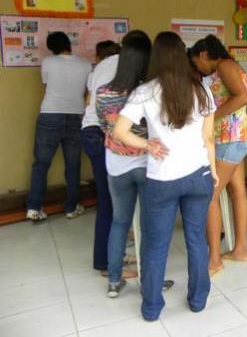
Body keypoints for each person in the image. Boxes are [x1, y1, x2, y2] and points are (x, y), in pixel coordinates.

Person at [113, 31, 218, 321]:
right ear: (183, 54)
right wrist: (214, 172)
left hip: (162, 179)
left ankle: (151, 308)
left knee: (155, 244)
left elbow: (118, 132)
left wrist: (148, 144)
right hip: (199, 175)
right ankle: (198, 301)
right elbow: (208, 138)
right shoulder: (202, 90)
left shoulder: (144, 92)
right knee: (197, 240)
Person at [190, 35, 247, 275]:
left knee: (209, 195)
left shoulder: (225, 65)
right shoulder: (228, 66)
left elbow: (242, 96)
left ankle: (214, 260)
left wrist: (212, 116)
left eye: (197, 62)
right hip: (236, 136)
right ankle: (240, 250)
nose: (198, 68)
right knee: (238, 193)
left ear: (204, 54)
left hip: (230, 137)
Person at [96, 31, 152, 297]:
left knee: (120, 221)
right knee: (150, 223)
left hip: (116, 163)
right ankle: (151, 279)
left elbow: (104, 126)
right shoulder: (147, 92)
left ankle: (114, 280)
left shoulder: (102, 92)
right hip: (146, 163)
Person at [26, 31, 92, 222]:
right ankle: (71, 207)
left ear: (51, 48)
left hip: (50, 115)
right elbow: (87, 90)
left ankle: (34, 207)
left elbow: (47, 86)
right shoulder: (86, 64)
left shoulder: (48, 63)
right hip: (76, 115)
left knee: (41, 163)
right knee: (73, 165)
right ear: (69, 44)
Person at [81, 40, 121, 273]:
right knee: (111, 201)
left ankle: (110, 255)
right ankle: (106, 261)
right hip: (103, 132)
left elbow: (88, 100)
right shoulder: (124, 65)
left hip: (89, 130)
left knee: (108, 200)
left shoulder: (96, 70)